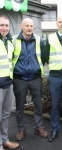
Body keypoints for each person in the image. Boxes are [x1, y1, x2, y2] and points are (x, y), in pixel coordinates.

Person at [12, 18, 48, 141]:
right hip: (19, 78)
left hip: (35, 78)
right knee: (20, 105)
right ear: (21, 26)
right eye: (27, 25)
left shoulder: (39, 40)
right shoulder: (14, 40)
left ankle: (39, 127)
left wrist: (36, 68)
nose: (29, 28)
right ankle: (21, 129)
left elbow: (43, 57)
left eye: (31, 26)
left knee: (38, 104)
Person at [0, 15, 19, 150]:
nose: (4, 28)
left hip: (7, 83)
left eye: (6, 25)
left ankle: (4, 139)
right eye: (1, 25)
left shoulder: (9, 42)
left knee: (6, 115)